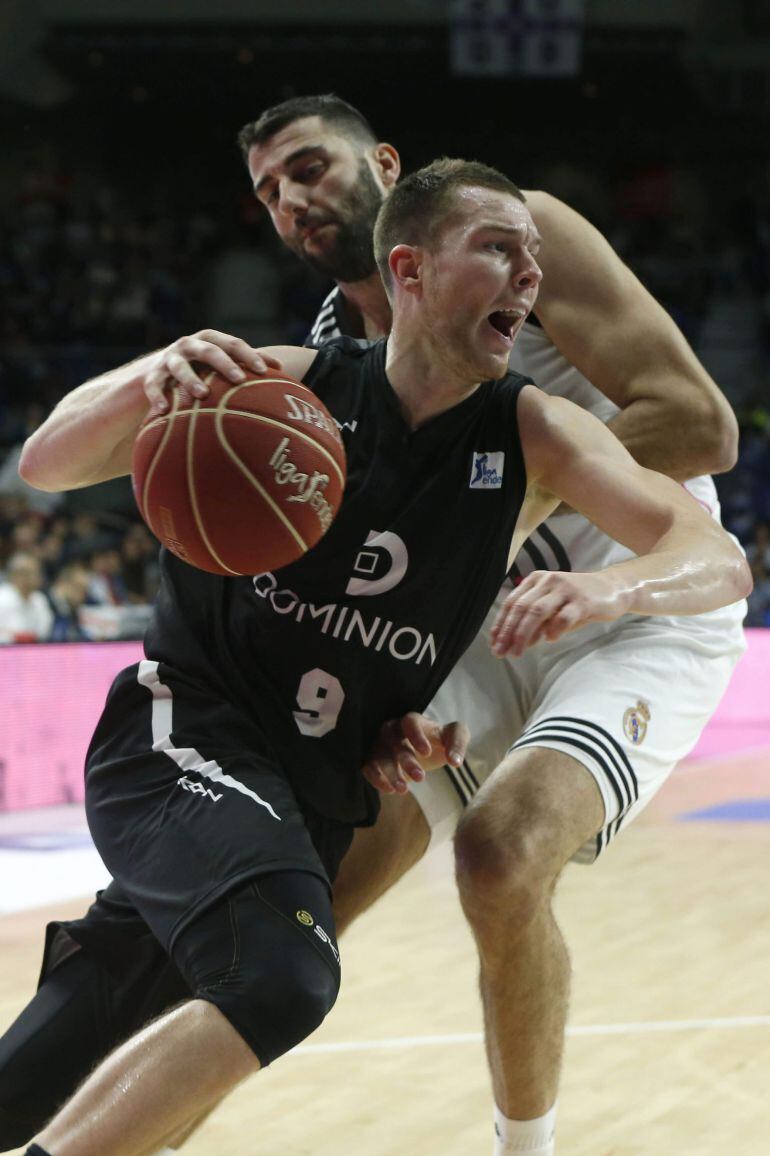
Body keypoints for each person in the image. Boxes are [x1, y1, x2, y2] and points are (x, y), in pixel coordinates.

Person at [6, 159, 751, 1156]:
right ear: (406, 267)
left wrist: (589, 596)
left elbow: (711, 537)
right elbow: (48, 462)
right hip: (186, 745)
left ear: (382, 167)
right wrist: (159, 368)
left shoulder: (533, 432)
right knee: (283, 971)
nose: (528, 275)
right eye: (498, 251)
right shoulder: (290, 392)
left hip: (324, 756)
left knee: (67, 1047)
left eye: (529, 257)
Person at [0, 551, 54, 643]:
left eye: (37, 573)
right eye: (31, 573)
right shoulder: (2, 597)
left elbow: (44, 632)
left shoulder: (39, 599)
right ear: (16, 575)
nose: (37, 577)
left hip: (32, 651)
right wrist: (18, 637)